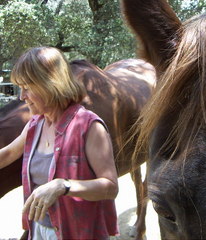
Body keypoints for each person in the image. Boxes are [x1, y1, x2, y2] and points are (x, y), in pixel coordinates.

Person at [0, 47, 119, 239]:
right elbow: (7, 154)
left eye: (27, 88)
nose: (21, 97)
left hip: (77, 232)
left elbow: (110, 187)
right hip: (39, 229)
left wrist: (63, 186)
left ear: (50, 84)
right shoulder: (34, 125)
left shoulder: (88, 126)